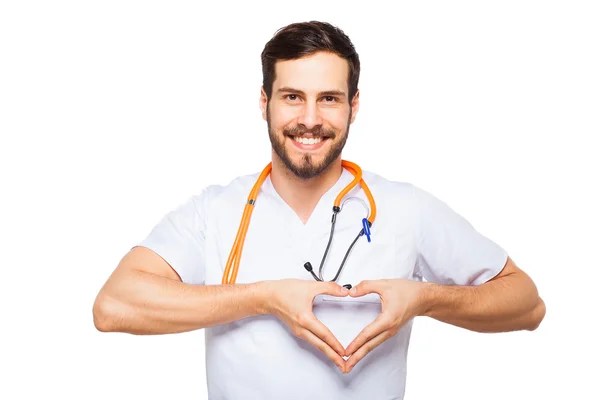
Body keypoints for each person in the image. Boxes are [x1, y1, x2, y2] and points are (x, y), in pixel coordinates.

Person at [93, 20, 546, 400]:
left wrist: (425, 299)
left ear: (353, 106)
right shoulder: (214, 211)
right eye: (292, 97)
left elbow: (527, 305)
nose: (310, 119)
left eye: (328, 99)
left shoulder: (406, 208)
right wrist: (262, 297)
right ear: (264, 103)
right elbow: (113, 306)